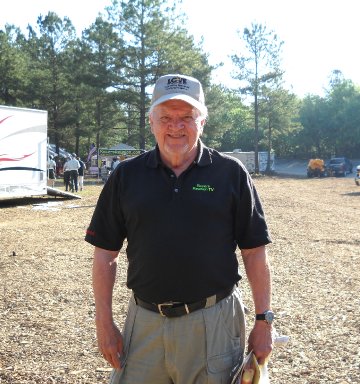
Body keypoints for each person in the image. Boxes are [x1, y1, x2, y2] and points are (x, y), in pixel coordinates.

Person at [85, 74, 273, 384]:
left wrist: (264, 320)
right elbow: (105, 253)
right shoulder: (127, 177)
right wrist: (104, 322)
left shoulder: (230, 174)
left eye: (187, 116)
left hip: (215, 325)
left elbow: (254, 252)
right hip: (144, 325)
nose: (176, 125)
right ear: (151, 121)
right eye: (166, 117)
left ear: (203, 121)